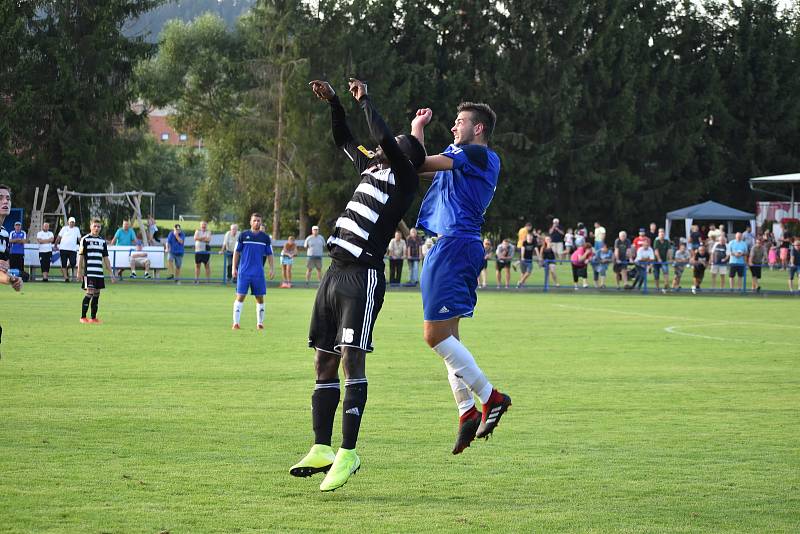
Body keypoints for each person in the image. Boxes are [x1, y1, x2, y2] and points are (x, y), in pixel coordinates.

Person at [289, 79, 427, 492]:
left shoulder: (404, 179)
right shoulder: (372, 165)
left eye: (393, 144)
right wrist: (334, 102)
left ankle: (349, 453)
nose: (382, 145)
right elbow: (343, 137)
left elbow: (382, 133)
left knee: (352, 357)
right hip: (333, 273)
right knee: (323, 361)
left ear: (404, 155)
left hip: (362, 277)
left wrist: (365, 97)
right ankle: (322, 447)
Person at [414, 98, 511, 456]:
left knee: (434, 336)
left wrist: (414, 131)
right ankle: (466, 411)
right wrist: (416, 134)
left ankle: (491, 397)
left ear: (478, 128)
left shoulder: (478, 155)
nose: (454, 126)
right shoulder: (460, 158)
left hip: (455, 246)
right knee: (449, 340)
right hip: (452, 246)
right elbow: (418, 167)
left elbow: (419, 161)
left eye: (460, 121)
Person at [232, 213, 274, 329]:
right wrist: (233, 268)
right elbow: (236, 252)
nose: (256, 222)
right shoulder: (243, 235)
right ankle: (236, 323)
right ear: (250, 222)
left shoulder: (265, 238)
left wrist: (271, 268)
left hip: (258, 273)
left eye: (258, 221)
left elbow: (270, 254)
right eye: (254, 220)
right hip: (244, 272)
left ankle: (260, 323)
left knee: (260, 297)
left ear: (261, 222)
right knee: (240, 296)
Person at [77, 218, 116, 323]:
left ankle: (93, 318)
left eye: (98, 226)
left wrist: (111, 273)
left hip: (99, 273)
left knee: (97, 294)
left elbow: (106, 258)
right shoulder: (84, 239)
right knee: (89, 292)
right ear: (90, 227)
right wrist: (79, 271)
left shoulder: (102, 241)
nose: (97, 228)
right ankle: (83, 317)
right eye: (95, 226)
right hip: (89, 272)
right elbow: (80, 257)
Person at [56, 217, 81, 282]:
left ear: (74, 223)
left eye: (73, 222)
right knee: (63, 263)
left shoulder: (77, 229)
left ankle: (65, 269)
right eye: (71, 222)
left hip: (73, 249)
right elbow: (59, 237)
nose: (72, 223)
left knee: (73, 263)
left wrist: (82, 245)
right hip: (63, 248)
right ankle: (66, 278)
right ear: (68, 222)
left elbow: (79, 238)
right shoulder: (64, 228)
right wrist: (55, 244)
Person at [652, 228, 671, 293]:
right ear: (658, 234)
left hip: (664, 260)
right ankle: (657, 288)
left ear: (664, 234)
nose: (662, 234)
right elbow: (656, 251)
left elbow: (669, 250)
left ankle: (666, 286)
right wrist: (659, 258)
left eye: (663, 232)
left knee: (665, 271)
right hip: (656, 260)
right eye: (660, 232)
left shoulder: (667, 241)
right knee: (656, 274)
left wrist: (669, 258)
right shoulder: (656, 241)